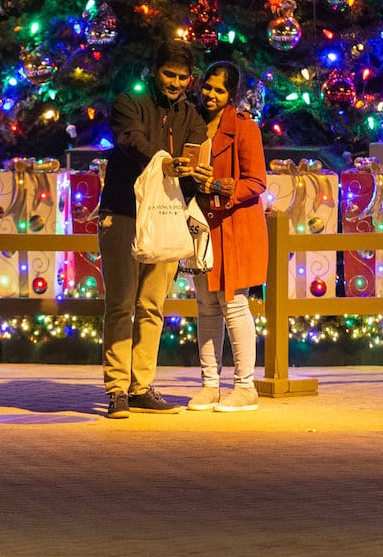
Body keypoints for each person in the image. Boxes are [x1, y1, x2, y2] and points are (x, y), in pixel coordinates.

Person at [97, 41, 207, 418]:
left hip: (167, 219)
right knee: (121, 303)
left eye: (181, 77)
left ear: (190, 80)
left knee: (152, 306)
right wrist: (165, 162)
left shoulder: (191, 116)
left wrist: (196, 173)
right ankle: (116, 389)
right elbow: (130, 140)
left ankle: (141, 385)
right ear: (155, 71)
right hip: (124, 214)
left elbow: (194, 157)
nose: (175, 83)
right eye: (168, 75)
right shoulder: (130, 102)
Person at [185, 61, 268, 414]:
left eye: (220, 90)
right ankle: (209, 385)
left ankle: (245, 386)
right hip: (201, 226)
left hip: (233, 228)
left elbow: (257, 182)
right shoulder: (191, 123)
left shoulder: (245, 129)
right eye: (208, 87)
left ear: (231, 95)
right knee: (205, 306)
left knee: (233, 305)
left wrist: (220, 186)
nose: (211, 95)